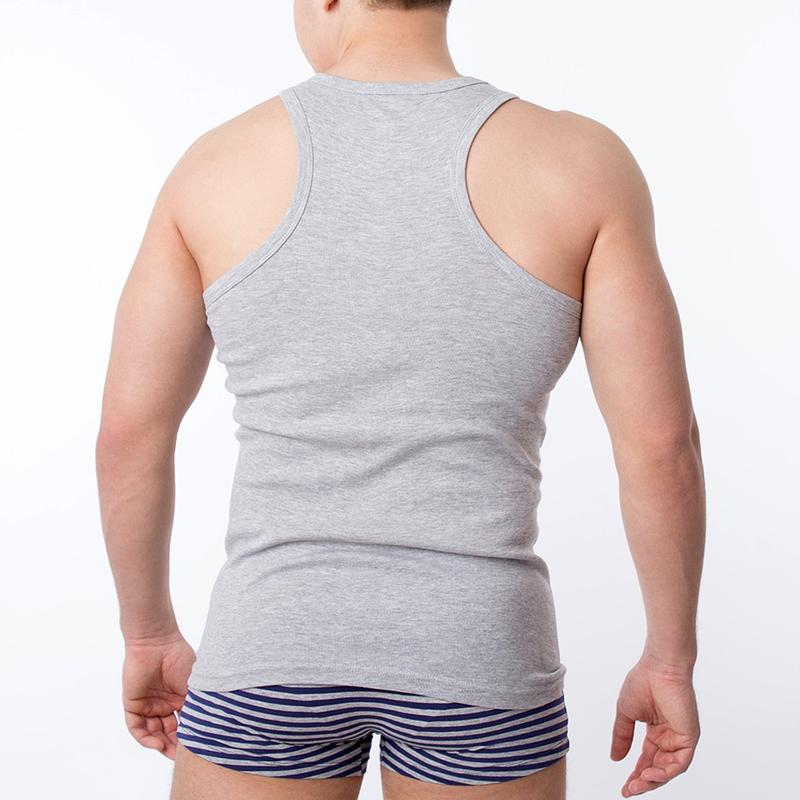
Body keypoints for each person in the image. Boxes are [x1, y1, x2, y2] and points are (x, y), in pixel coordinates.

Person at [95, 1, 706, 798]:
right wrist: (669, 659)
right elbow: (660, 444)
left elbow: (129, 435)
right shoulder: (580, 164)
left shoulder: (215, 167)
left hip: (274, 638)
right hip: (480, 649)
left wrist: (147, 633)